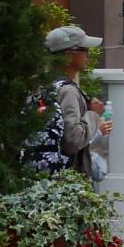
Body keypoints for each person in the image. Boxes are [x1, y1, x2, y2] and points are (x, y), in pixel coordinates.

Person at [42, 23, 110, 174]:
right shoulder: (68, 91)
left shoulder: (42, 84)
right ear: (68, 55)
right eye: (84, 49)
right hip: (65, 180)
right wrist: (94, 115)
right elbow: (73, 140)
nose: (88, 54)